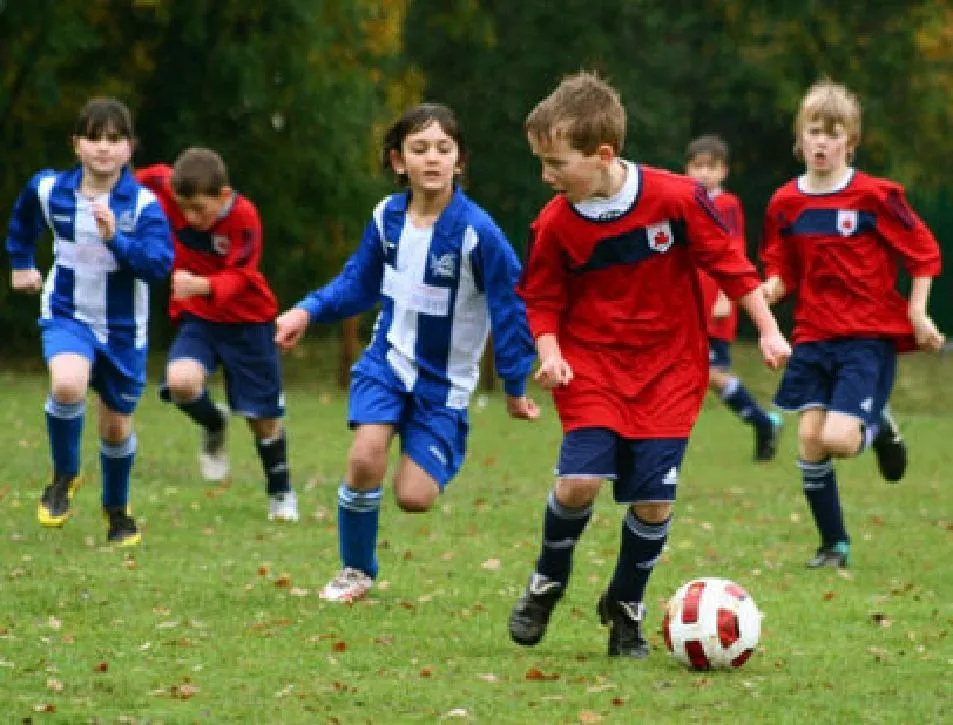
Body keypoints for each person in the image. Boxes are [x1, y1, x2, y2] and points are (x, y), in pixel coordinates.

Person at [508, 71, 790, 659]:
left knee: (653, 502)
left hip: (670, 371)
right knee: (579, 482)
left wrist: (767, 328)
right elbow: (542, 298)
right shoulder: (555, 222)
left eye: (556, 164)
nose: (546, 176)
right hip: (591, 366)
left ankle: (625, 606)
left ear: (602, 154)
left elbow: (732, 265)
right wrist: (550, 352)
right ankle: (547, 582)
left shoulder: (677, 199)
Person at [275, 103, 539, 602]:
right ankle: (356, 570)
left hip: (444, 385)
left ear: (459, 160)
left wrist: (514, 383)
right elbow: (358, 283)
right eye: (420, 149)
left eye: (443, 148)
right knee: (364, 457)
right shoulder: (386, 218)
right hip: (388, 362)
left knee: (414, 497)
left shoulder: (477, 233)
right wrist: (306, 312)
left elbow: (510, 308)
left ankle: (439, 444)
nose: (432, 158)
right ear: (399, 161)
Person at [760, 79, 944, 569]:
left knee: (839, 440)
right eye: (814, 131)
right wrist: (770, 289)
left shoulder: (875, 197)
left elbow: (924, 254)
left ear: (850, 141)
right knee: (809, 441)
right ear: (800, 137)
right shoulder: (785, 203)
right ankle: (834, 545)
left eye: (833, 133)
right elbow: (782, 266)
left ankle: (878, 426)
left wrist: (917, 312)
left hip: (865, 337)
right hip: (813, 335)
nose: (822, 142)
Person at [5, 96, 174, 546]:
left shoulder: (143, 205)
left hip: (123, 330)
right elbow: (23, 219)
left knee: (115, 428)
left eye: (114, 139)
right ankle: (64, 475)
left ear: (130, 147)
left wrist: (116, 239)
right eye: (93, 138)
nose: (103, 147)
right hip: (68, 313)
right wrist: (21, 261)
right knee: (67, 385)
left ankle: (116, 510)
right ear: (76, 144)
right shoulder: (50, 189)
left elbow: (158, 265)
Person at [136, 148, 299, 523]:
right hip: (200, 319)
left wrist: (202, 285)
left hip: (248, 322)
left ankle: (281, 492)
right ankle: (214, 423)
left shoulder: (244, 217)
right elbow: (126, 179)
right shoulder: (163, 183)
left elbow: (242, 274)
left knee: (262, 417)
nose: (191, 218)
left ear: (223, 196)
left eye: (199, 209)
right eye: (184, 209)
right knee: (180, 382)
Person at [684, 134, 783, 461]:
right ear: (687, 169)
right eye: (698, 166)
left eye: (711, 167)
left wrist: (727, 295)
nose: (704, 173)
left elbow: (734, 248)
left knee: (712, 374)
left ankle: (763, 422)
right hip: (689, 303)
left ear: (724, 171)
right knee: (694, 375)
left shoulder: (726, 205)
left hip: (716, 304)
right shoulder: (684, 201)